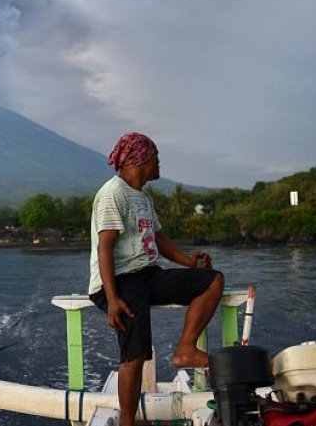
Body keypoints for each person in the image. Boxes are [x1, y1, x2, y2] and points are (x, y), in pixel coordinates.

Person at [88, 132, 224, 426]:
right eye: (156, 159)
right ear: (140, 161)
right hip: (118, 281)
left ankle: (186, 350)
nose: (159, 164)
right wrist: (112, 300)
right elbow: (105, 248)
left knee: (212, 281)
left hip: (148, 275)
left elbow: (158, 239)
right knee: (135, 354)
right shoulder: (113, 194)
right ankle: (128, 422)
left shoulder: (144, 195)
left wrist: (189, 263)